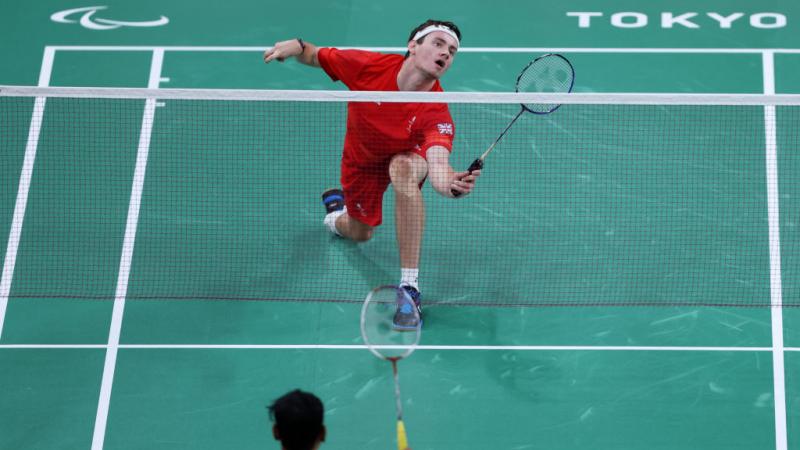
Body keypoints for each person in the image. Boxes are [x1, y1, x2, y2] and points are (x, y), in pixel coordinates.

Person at [264, 20, 480, 329]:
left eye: (453, 51)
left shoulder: (436, 111)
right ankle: (335, 215)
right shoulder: (367, 67)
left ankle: (409, 287)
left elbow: (439, 168)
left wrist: (451, 184)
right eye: (438, 43)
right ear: (413, 45)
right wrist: (297, 46)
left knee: (403, 170)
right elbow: (315, 55)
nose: (446, 53)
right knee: (360, 232)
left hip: (406, 157)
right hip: (362, 161)